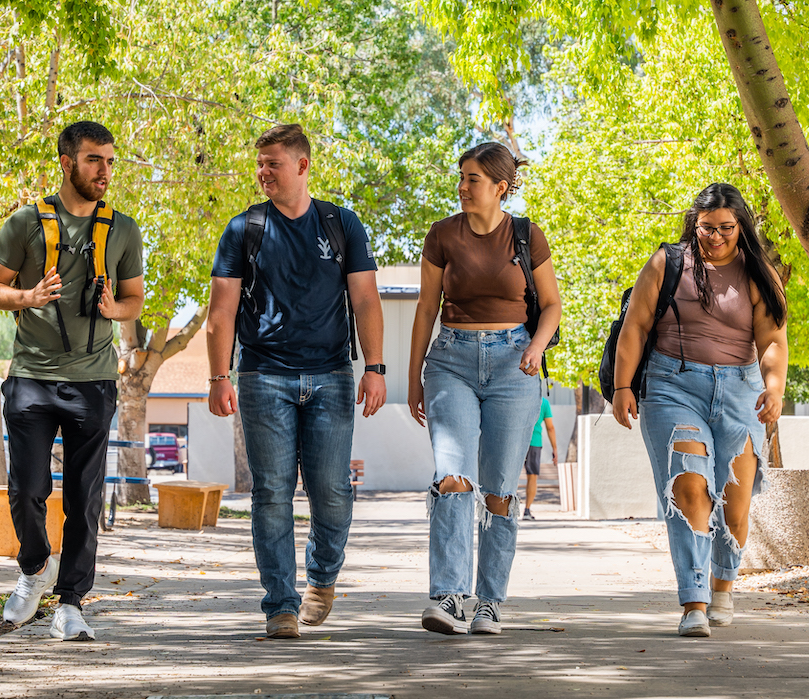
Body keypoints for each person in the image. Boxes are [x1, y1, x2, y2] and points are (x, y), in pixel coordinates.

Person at [205, 124, 386, 640]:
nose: (263, 173)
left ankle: (322, 579)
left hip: (331, 375)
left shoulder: (341, 224)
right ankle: (279, 605)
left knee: (331, 491)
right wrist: (220, 375)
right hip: (264, 377)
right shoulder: (244, 229)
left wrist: (375, 367)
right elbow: (222, 310)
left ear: (303, 166)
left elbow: (366, 299)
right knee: (272, 493)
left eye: (274, 164)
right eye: (259, 164)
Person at [0, 121, 144, 641]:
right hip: (31, 374)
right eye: (95, 159)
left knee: (84, 496)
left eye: (110, 160)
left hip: (94, 380)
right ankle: (34, 568)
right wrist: (27, 298)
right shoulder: (25, 223)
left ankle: (71, 602)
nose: (105, 170)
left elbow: (134, 300)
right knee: (26, 487)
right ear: (66, 162)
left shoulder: (123, 230)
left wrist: (112, 307)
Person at [611, 182, 788, 637]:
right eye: (707, 228)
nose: (716, 237)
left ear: (740, 226)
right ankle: (693, 602)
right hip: (672, 387)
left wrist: (775, 387)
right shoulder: (667, 263)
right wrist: (622, 385)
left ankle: (722, 587)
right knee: (689, 485)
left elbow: (771, 341)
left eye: (726, 228)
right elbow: (635, 326)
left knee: (735, 502)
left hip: (739, 391)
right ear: (695, 223)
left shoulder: (756, 271)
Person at [408, 142, 562, 635]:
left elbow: (554, 305)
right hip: (450, 361)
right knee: (453, 474)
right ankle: (449, 596)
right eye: (460, 176)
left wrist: (536, 347)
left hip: (514, 364)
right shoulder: (441, 236)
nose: (462, 186)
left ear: (499, 187)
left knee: (498, 490)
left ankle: (490, 602)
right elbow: (425, 310)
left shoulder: (526, 235)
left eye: (472, 178)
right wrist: (414, 375)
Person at [522, 394, 557, 520]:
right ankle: (526, 511)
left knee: (510, 476)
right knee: (532, 477)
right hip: (534, 443)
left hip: (517, 441)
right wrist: (555, 448)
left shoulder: (520, 398)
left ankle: (506, 510)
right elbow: (550, 428)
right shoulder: (544, 403)